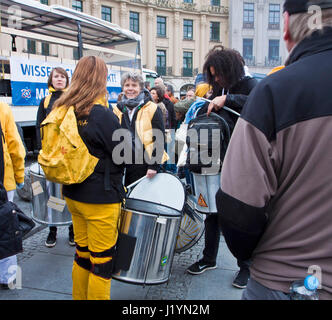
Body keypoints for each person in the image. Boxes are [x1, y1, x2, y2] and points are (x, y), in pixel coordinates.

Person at [216, 0, 332, 300]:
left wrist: (257, 255)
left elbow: (238, 205)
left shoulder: (275, 90)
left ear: (285, 27)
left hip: (286, 280)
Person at [50, 56, 125, 300]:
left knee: (82, 255)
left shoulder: (64, 109)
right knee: (101, 264)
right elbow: (125, 154)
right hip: (100, 199)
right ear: (100, 79)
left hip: (73, 194)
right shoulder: (102, 114)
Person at [186, 45, 257, 290]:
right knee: (211, 212)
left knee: (238, 215)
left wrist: (228, 99)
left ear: (231, 69)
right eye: (212, 75)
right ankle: (209, 257)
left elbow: (256, 103)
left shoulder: (249, 85)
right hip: (214, 156)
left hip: (240, 159)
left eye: (218, 74)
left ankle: (246, 266)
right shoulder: (218, 88)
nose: (215, 80)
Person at [36, 67, 74, 248]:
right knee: (53, 195)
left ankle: (73, 230)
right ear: (51, 80)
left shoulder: (72, 99)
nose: (59, 79)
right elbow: (39, 127)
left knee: (72, 193)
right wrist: (40, 151)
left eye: (62, 77)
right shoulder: (45, 101)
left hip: (69, 156)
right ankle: (53, 230)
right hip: (51, 157)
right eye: (56, 76)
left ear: (67, 80)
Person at [113, 72, 168, 186]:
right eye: (127, 85)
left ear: (141, 88)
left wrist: (153, 165)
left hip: (146, 164)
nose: (130, 89)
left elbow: (159, 138)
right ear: (123, 88)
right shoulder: (118, 109)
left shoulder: (152, 108)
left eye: (134, 85)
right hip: (124, 164)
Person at [0, 101, 25, 290]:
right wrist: (19, 175)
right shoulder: (3, 108)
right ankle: (8, 277)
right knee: (6, 228)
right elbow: (15, 145)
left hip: (4, 180)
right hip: (4, 180)